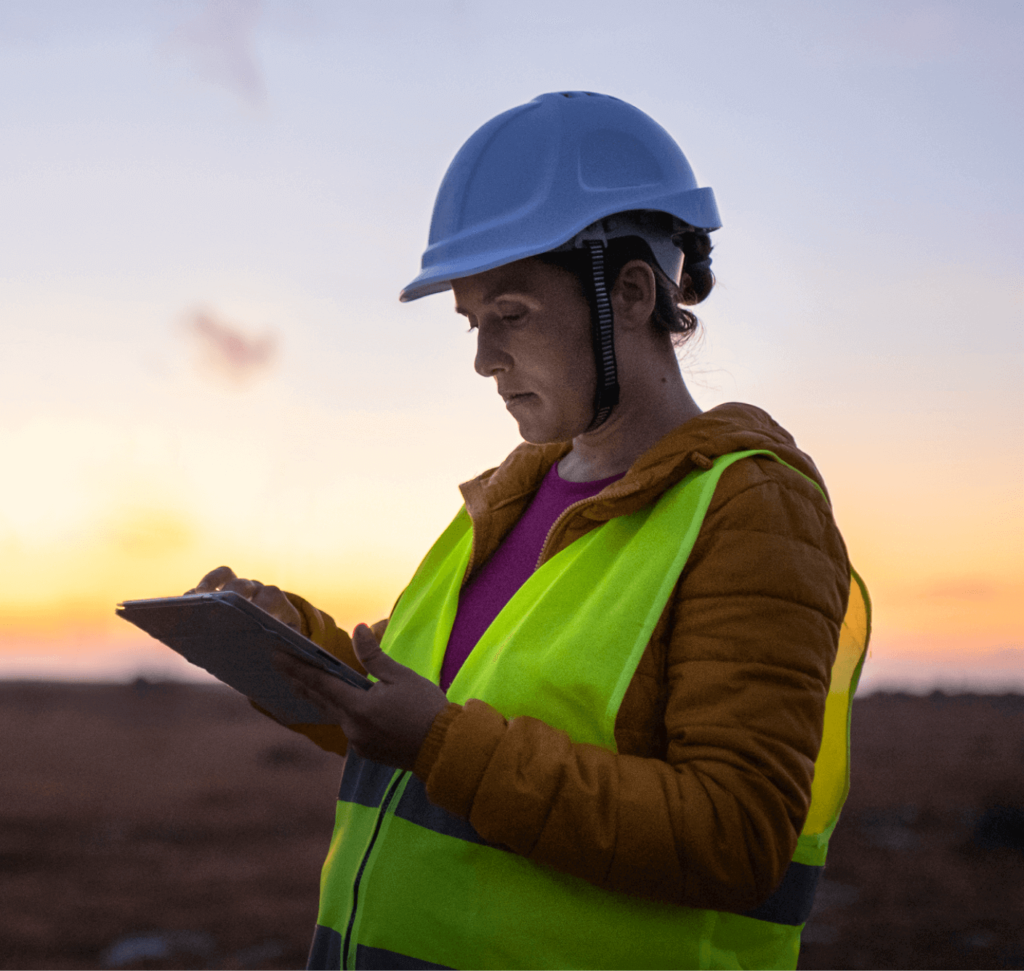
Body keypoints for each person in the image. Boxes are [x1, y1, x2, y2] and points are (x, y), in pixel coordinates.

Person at [189, 92, 869, 971]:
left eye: (509, 314)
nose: (483, 359)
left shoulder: (751, 512)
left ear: (628, 292)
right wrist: (292, 646)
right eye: (474, 323)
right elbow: (424, 708)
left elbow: (734, 835)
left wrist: (438, 742)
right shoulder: (508, 499)